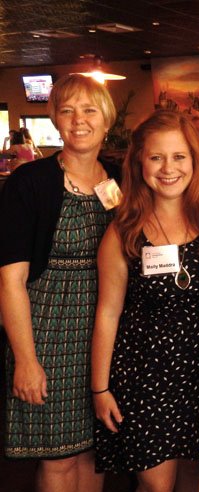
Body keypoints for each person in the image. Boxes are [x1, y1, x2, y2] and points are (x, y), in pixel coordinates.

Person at [0, 73, 118, 492]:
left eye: (89, 110)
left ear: (107, 120)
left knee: (93, 452)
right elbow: (11, 281)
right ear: (55, 120)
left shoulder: (119, 178)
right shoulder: (29, 183)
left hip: (107, 335)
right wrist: (26, 359)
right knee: (59, 457)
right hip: (49, 334)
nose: (78, 119)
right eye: (66, 110)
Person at [92, 110, 199, 492]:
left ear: (195, 161)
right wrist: (100, 389)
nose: (169, 168)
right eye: (156, 157)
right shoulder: (124, 231)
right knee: (155, 487)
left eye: (179, 156)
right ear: (139, 162)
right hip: (144, 379)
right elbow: (107, 313)